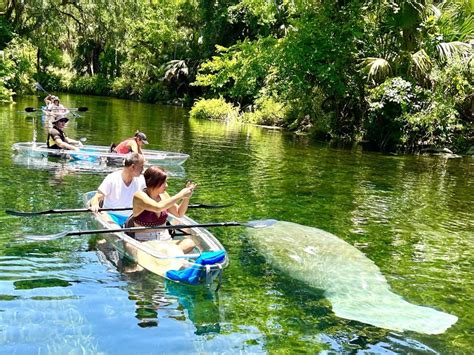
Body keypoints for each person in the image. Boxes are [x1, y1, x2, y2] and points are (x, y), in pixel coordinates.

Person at [127, 166, 197, 253]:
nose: (166, 185)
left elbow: (179, 213)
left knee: (189, 243)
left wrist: (186, 197)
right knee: (131, 248)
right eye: (164, 182)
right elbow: (157, 207)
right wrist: (180, 194)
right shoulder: (139, 196)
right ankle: (169, 258)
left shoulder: (164, 195)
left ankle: (168, 258)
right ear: (154, 182)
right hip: (145, 243)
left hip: (165, 241)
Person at [89, 153, 146, 226]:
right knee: (113, 225)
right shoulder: (112, 178)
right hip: (111, 216)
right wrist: (95, 205)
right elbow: (96, 197)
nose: (143, 170)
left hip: (132, 217)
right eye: (141, 167)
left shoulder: (141, 180)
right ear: (132, 167)